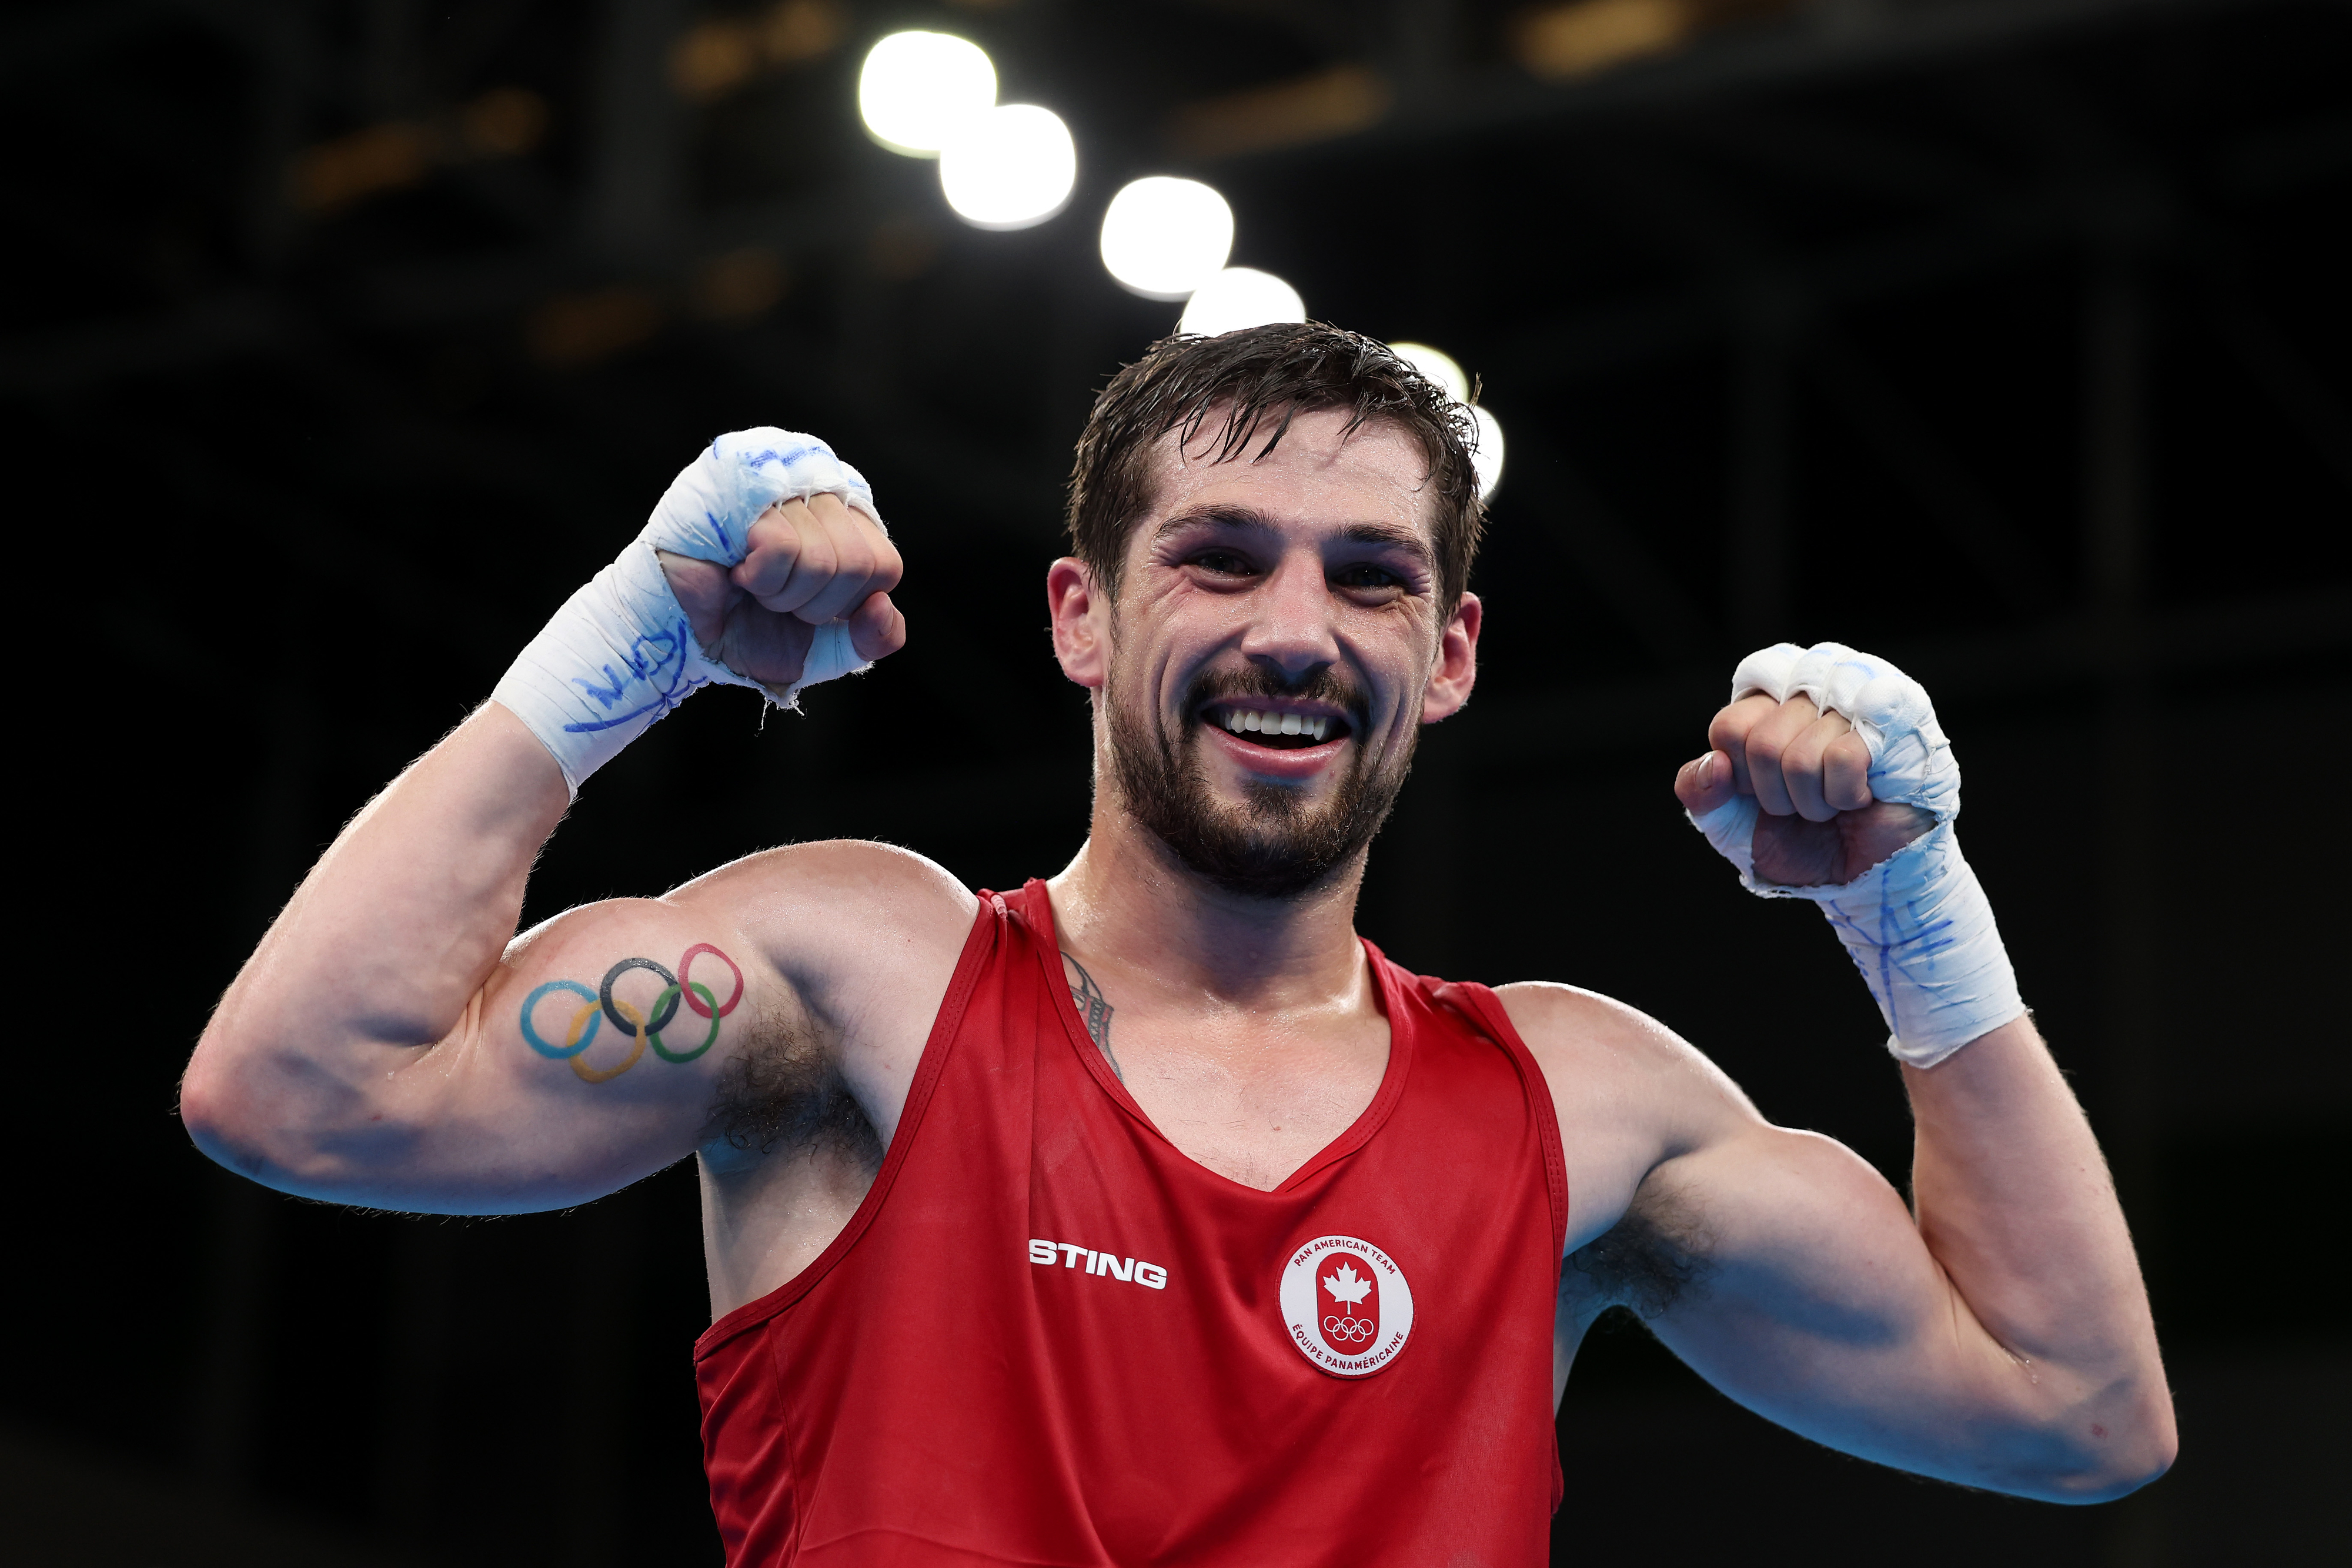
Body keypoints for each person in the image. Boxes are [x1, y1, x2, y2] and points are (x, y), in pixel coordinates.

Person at [182, 323, 2174, 1564]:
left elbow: (2080, 1416)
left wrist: (1904, 904)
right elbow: (299, 1089)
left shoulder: (1580, 1105)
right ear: (1082, 617)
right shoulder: (856, 978)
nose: (1295, 629)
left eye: (1371, 579)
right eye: (1218, 557)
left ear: (1450, 655)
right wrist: (629, 643)